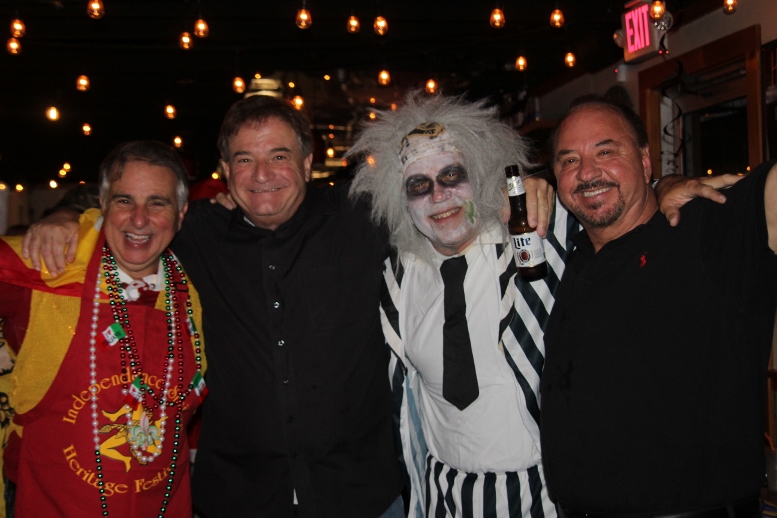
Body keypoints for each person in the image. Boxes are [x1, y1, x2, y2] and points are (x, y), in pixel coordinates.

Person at [23, 94, 735, 517]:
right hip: (256, 500)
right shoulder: (199, 234)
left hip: (399, 499)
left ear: (308, 163)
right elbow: (137, 212)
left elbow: (602, 207)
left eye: (279, 156)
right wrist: (67, 218)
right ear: (226, 175)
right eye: (244, 160)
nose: (263, 175)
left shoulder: (396, 225)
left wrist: (660, 189)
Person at [345, 92, 737, 517]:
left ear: (481, 173)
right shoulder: (397, 278)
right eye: (419, 186)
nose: (439, 196)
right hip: (445, 495)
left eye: (452, 175)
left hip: (546, 495)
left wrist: (665, 186)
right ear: (402, 201)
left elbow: (611, 203)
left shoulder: (540, 232)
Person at [540, 96, 777, 516]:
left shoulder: (703, 229)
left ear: (646, 160)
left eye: (606, 151)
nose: (587, 172)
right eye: (569, 160)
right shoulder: (569, 257)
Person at [0, 140, 206, 516]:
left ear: (180, 213)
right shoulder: (47, 265)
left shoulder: (189, 294)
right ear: (103, 206)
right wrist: (62, 216)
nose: (139, 220)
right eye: (125, 200)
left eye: (157, 203)